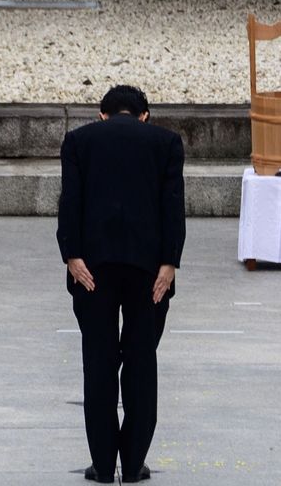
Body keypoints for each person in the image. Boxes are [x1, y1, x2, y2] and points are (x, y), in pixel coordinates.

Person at [58, 84, 187, 483]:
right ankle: (132, 464)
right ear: (144, 115)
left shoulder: (78, 141)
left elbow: (70, 203)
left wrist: (72, 256)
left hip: (92, 269)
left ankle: (102, 463)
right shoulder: (166, 142)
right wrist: (169, 263)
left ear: (103, 115)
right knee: (141, 362)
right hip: (148, 271)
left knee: (98, 363)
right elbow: (172, 207)